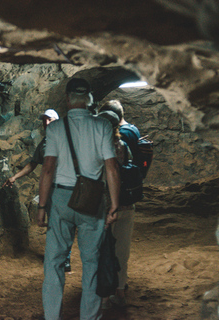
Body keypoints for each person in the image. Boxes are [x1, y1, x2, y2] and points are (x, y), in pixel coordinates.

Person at [37, 78, 120, 320]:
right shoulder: (102, 127)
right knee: (91, 263)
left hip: (61, 198)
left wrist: (42, 206)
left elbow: (48, 169)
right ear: (90, 100)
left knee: (53, 261)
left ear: (67, 99)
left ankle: (52, 316)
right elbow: (112, 168)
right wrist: (114, 204)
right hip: (92, 200)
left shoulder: (54, 129)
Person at [2, 109, 73, 272]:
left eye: (49, 120)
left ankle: (66, 259)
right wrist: (15, 177)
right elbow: (32, 164)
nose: (46, 123)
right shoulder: (45, 142)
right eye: (44, 120)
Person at [98, 100, 140, 307]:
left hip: (104, 208)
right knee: (122, 252)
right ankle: (120, 292)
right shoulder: (122, 145)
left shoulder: (95, 148)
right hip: (126, 205)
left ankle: (104, 296)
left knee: (103, 252)